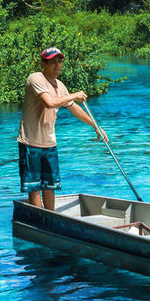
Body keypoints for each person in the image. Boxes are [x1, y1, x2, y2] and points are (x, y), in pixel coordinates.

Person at [17, 46, 106, 210]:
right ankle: (39, 219)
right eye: (52, 62)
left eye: (59, 62)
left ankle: (51, 218)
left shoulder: (60, 86)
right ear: (43, 63)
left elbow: (75, 109)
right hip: (31, 143)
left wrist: (96, 126)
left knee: (50, 186)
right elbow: (49, 102)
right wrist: (74, 95)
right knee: (34, 187)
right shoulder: (36, 78)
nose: (57, 65)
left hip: (50, 143)